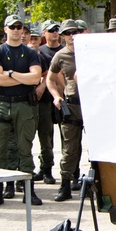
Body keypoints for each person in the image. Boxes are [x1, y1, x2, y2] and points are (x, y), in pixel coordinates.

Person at [0, 14, 44, 207]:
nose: (16, 30)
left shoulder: (30, 53)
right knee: (0, 149)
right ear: (6, 29)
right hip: (2, 104)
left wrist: (10, 73)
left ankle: (29, 191)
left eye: (19, 27)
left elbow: (35, 78)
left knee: (25, 148)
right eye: (12, 27)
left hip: (24, 105)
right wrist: (23, 77)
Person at [48, 21, 84, 202]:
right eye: (68, 33)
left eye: (75, 32)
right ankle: (65, 185)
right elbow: (50, 79)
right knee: (69, 148)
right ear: (62, 35)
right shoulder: (60, 55)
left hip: (93, 105)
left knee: (97, 148)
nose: (72, 35)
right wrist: (56, 96)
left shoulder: (90, 50)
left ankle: (97, 185)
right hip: (72, 104)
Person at [36, 19, 65, 185]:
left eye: (57, 30)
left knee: (65, 138)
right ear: (44, 33)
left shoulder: (65, 51)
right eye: (51, 30)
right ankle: (46, 169)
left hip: (62, 99)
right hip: (45, 100)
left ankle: (67, 172)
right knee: (46, 137)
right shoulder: (39, 52)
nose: (55, 32)